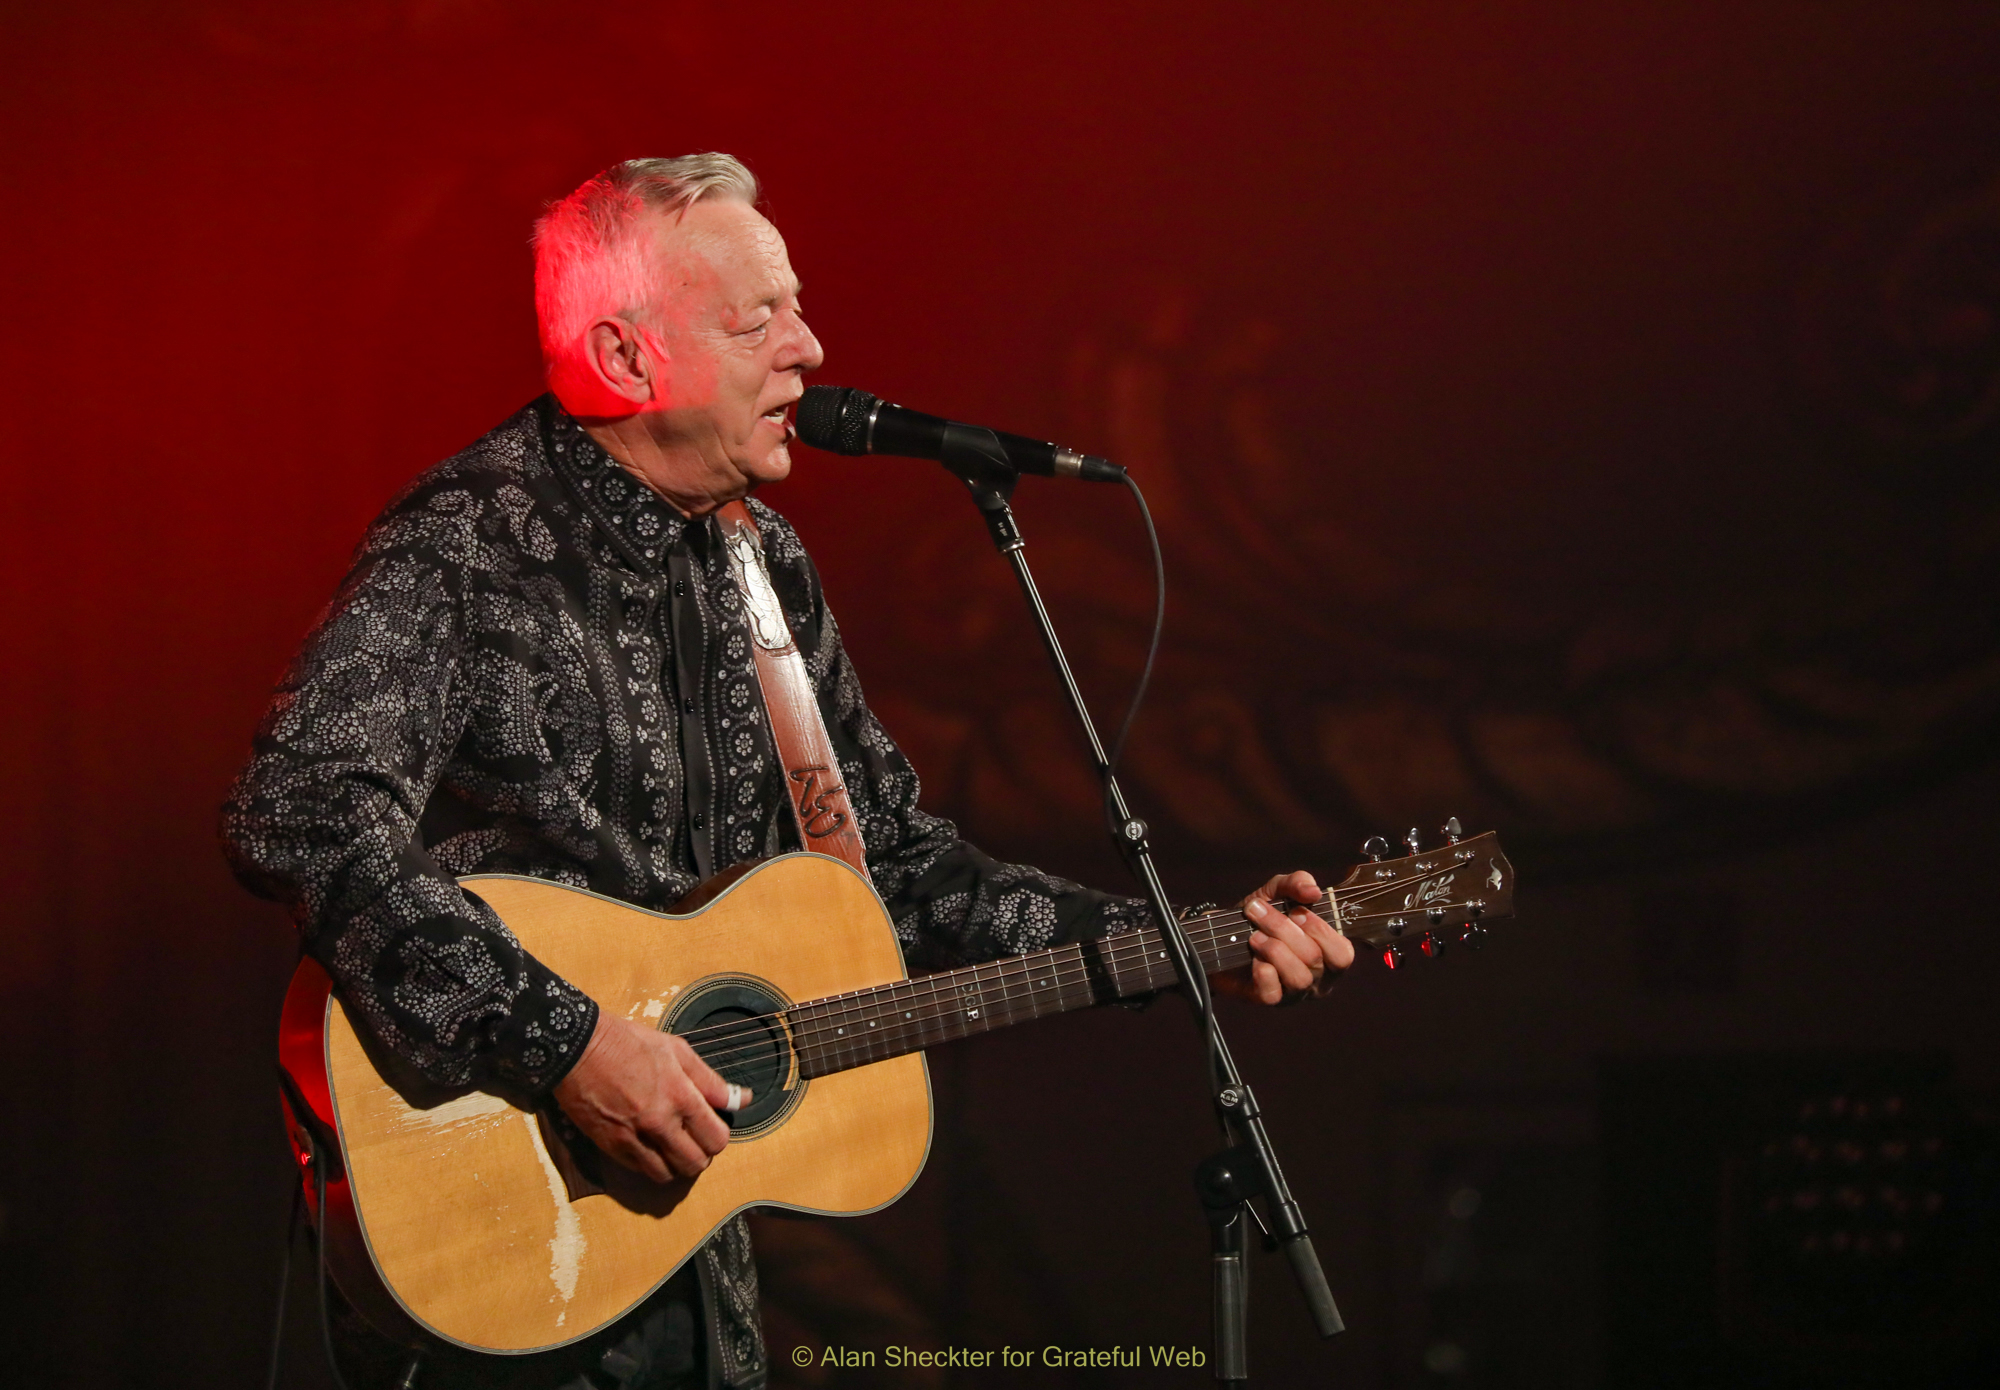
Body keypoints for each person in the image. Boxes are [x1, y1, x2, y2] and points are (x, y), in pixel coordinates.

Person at [222, 154, 1354, 1390]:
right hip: (494, 1256)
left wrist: (1183, 946)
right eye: (757, 319)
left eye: (798, 307)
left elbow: (897, 874)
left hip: (688, 1261)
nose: (810, 348)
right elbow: (300, 809)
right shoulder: (464, 544)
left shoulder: (762, 568)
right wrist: (570, 1044)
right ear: (624, 357)